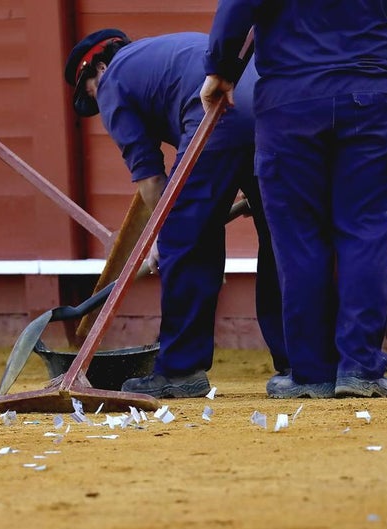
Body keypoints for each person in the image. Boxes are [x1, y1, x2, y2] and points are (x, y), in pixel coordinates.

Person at [202, 0, 387, 399]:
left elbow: (236, 8)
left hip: (289, 103)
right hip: (367, 99)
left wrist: (220, 71)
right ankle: (360, 369)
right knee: (365, 233)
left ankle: (310, 372)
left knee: (298, 239)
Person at [64, 29, 288, 399]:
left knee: (186, 242)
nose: (97, 103)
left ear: (98, 68)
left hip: (215, 113)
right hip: (270, 108)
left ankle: (181, 370)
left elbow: (151, 179)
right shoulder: (162, 54)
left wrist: (166, 239)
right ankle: (300, 360)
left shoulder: (112, 81)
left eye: (89, 91)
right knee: (281, 235)